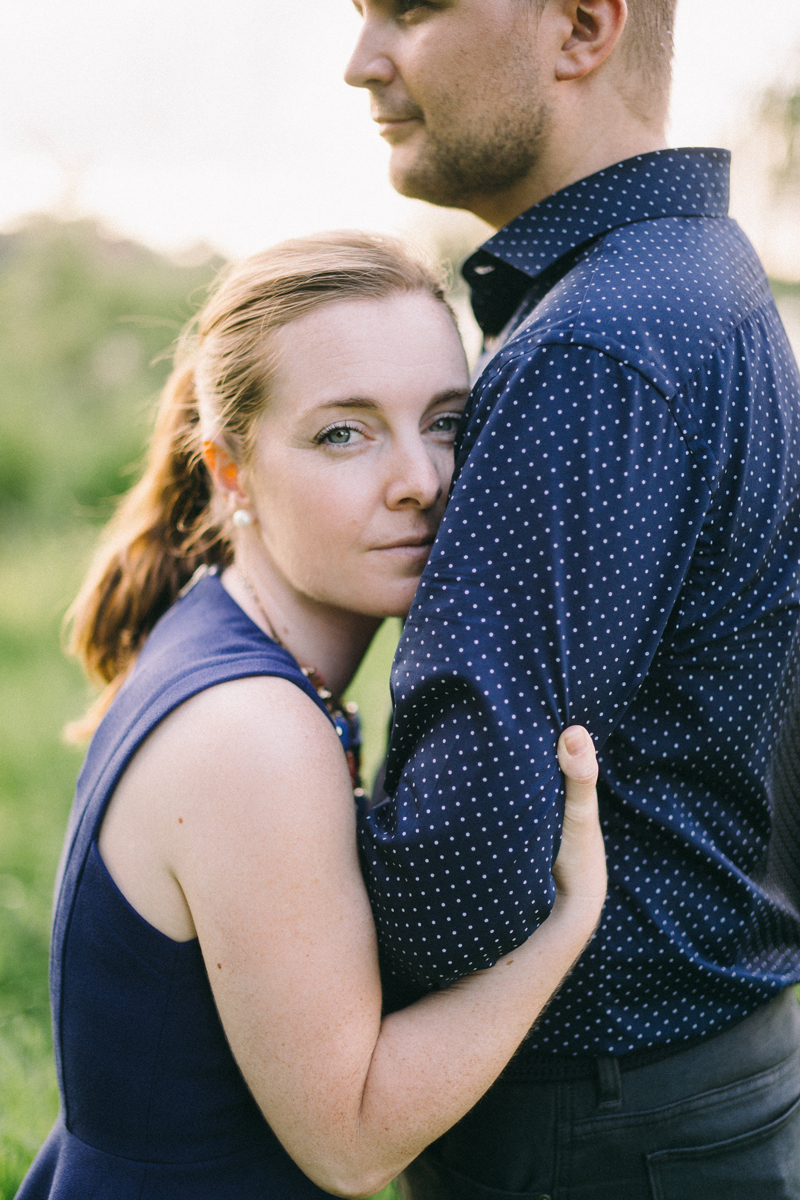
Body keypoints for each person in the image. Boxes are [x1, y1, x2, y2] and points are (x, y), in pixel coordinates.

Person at [17, 231, 606, 1200]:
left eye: (447, 422)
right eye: (345, 432)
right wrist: (567, 919)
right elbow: (353, 1143)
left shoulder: (219, 636)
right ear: (230, 472)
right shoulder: (253, 733)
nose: (419, 479)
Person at [345, 1, 800, 1195]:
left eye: (409, 9)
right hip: (698, 1071)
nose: (361, 62)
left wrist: (230, 830)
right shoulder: (698, 278)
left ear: (582, 27)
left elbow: (462, 876)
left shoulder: (588, 346)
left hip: (590, 1117)